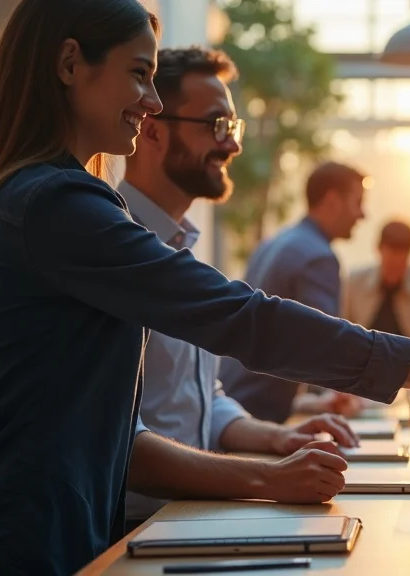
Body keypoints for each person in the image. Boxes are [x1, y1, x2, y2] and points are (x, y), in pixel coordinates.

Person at [0, 2, 410, 573]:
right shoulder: (56, 205)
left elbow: (108, 430)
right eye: (138, 74)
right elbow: (242, 318)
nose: (151, 103)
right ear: (70, 64)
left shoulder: (34, 197)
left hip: (32, 530)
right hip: (15, 540)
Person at [120, 46, 367, 531]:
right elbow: (123, 441)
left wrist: (281, 439)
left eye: (233, 128)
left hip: (192, 515)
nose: (232, 146)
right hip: (137, 528)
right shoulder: (111, 251)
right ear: (151, 129)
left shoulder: (182, 246)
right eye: (216, 125)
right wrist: (268, 477)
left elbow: (203, 402)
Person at [221, 161, 368, 423]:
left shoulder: (273, 243)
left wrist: (311, 401)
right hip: (258, 419)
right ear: (333, 200)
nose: (362, 214)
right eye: (357, 202)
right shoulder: (318, 257)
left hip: (231, 402)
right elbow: (327, 349)